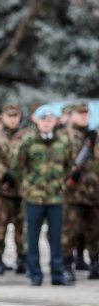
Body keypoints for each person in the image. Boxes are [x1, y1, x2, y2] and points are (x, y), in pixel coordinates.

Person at [9, 105, 74, 286]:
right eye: (44, 120)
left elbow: (69, 166)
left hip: (56, 198)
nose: (47, 123)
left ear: (55, 122)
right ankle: (35, 274)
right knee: (32, 237)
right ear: (36, 120)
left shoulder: (63, 142)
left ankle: (57, 275)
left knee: (56, 238)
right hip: (34, 198)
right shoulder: (27, 141)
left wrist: (59, 183)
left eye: (50, 120)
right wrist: (28, 185)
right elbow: (16, 168)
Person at [60, 102, 98, 281]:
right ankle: (66, 265)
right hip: (73, 194)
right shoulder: (65, 136)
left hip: (94, 193)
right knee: (70, 231)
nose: (84, 116)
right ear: (72, 115)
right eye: (80, 113)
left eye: (86, 114)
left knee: (95, 231)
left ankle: (95, 264)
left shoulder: (94, 136)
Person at [0, 102, 27, 274]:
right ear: (3, 117)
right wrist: (2, 173)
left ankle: (22, 258)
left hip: (21, 188)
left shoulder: (26, 135)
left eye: (16, 116)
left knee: (22, 225)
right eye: (10, 116)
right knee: (1, 224)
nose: (13, 119)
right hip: (2, 189)